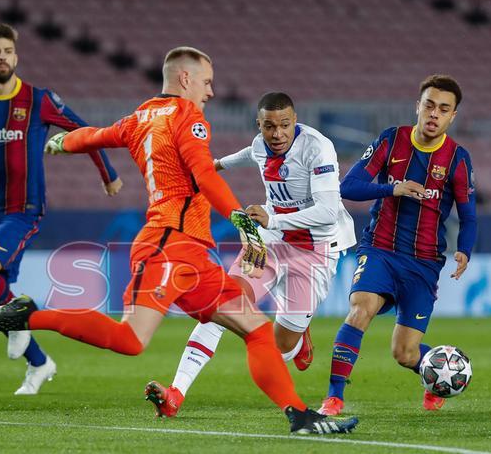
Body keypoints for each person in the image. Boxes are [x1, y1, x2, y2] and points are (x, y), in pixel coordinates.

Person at [0, 47, 358, 435]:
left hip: (194, 255)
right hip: (168, 244)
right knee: (131, 339)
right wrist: (237, 215)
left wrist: (63, 144)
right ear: (186, 79)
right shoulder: (189, 117)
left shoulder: (140, 116)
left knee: (255, 328)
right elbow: (205, 175)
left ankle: (299, 415)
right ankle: (27, 314)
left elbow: (96, 136)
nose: (210, 91)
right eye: (206, 82)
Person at [145, 92, 357, 417]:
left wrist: (273, 218)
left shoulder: (318, 148)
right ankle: (176, 394)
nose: (277, 134)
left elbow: (328, 211)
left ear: (295, 121)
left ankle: (299, 338)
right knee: (221, 302)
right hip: (269, 241)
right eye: (269, 126)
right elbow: (250, 153)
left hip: (315, 249)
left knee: (282, 345)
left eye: (285, 125)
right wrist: (216, 165)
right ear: (259, 124)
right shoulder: (261, 143)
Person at [0, 22, 122, 395]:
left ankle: (24, 317)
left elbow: (85, 132)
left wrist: (109, 174)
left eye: (7, 51)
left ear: (16, 56)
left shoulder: (38, 100)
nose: (2, 57)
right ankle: (40, 363)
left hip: (24, 209)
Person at [318, 74, 477, 416]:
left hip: (423, 262)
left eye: (443, 109)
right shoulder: (392, 140)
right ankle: (334, 397)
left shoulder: (458, 159)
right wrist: (392, 188)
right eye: (429, 105)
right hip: (381, 249)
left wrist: (465, 248)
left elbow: (469, 215)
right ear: (417, 106)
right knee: (361, 308)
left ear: (452, 117)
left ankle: (436, 372)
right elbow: (349, 186)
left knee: (404, 352)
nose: (434, 114)